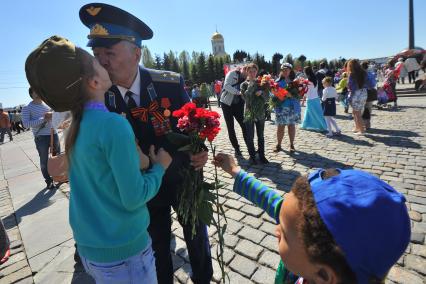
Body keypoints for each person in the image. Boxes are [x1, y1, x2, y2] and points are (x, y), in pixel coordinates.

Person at [78, 4, 212, 283]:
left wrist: (201, 151)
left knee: (196, 235)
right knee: (156, 247)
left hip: (182, 178)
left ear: (136, 52)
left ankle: (203, 277)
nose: (101, 61)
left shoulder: (169, 84)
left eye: (110, 53)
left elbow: (193, 125)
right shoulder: (101, 94)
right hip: (142, 191)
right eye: (97, 53)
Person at [26, 35, 172, 283]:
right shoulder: (113, 126)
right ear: (94, 81)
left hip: (93, 250)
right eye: (95, 61)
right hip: (126, 252)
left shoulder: (75, 126)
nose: (103, 62)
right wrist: (159, 167)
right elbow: (134, 197)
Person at [212, 153, 411, 284]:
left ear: (324, 275)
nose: (276, 230)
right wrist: (235, 170)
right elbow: (273, 202)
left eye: (284, 234)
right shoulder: (314, 246)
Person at [21, 88, 59, 189]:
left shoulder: (48, 104)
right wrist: (44, 118)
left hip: (53, 133)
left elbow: (56, 118)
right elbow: (26, 124)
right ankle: (48, 180)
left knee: (57, 156)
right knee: (44, 160)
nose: (38, 94)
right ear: (31, 94)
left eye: (39, 91)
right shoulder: (27, 108)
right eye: (35, 92)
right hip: (41, 137)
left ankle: (58, 176)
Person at [240, 63, 269, 164]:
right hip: (248, 112)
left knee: (260, 136)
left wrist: (262, 93)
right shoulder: (243, 84)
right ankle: (252, 156)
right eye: (250, 71)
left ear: (257, 71)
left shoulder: (262, 83)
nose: (252, 73)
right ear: (247, 72)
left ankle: (262, 156)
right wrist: (251, 86)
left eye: (254, 71)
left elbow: (267, 99)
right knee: (250, 136)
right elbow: (245, 98)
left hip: (260, 112)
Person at [220, 65, 249, 156]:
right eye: (246, 72)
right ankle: (236, 148)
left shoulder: (247, 78)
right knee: (230, 127)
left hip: (238, 104)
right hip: (227, 104)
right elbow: (226, 86)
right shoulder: (232, 73)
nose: (247, 75)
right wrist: (238, 93)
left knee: (244, 125)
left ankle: (249, 146)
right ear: (243, 70)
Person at [274, 63, 299, 153]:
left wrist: (292, 95)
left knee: (291, 126)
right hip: (281, 107)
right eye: (283, 70)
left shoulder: (295, 82)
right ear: (281, 71)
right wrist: (282, 95)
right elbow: (273, 95)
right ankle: (279, 144)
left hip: (292, 107)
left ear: (290, 71)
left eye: (287, 70)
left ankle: (292, 144)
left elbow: (298, 95)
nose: (285, 71)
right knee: (280, 127)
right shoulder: (277, 82)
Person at [347, 59, 373, 135]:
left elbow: (350, 86)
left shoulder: (352, 74)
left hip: (356, 93)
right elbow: (370, 84)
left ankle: (361, 130)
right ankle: (357, 127)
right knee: (355, 112)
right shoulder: (364, 73)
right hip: (364, 93)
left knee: (357, 113)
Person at [300, 66, 328, 132]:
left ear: (306, 72)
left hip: (310, 99)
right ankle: (305, 125)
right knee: (312, 113)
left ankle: (323, 126)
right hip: (316, 98)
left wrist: (303, 100)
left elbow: (306, 91)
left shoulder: (307, 81)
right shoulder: (315, 79)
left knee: (314, 114)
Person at [361, 61, 377, 130]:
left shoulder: (360, 74)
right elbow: (373, 84)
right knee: (369, 108)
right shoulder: (371, 74)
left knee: (362, 108)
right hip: (369, 92)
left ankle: (363, 124)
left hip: (362, 92)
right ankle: (368, 124)